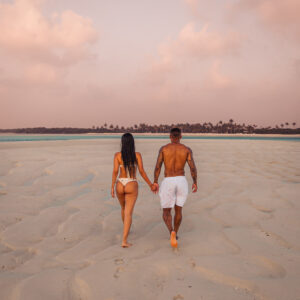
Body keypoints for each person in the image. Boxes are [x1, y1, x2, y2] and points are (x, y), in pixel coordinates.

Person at [153, 127, 197, 248]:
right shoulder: (186, 150)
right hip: (181, 180)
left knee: (166, 211)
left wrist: (155, 182)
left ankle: (171, 231)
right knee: (179, 210)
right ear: (181, 136)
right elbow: (192, 167)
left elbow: (158, 166)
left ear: (170, 136)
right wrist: (195, 182)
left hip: (168, 180)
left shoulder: (164, 149)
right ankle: (176, 233)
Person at [111, 133, 156, 248]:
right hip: (131, 183)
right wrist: (151, 184)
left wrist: (112, 187)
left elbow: (115, 171)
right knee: (128, 213)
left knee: (123, 208)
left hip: (120, 184)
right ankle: (124, 241)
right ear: (132, 143)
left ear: (122, 143)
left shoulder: (117, 155)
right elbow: (141, 171)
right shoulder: (137, 155)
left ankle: (126, 229)